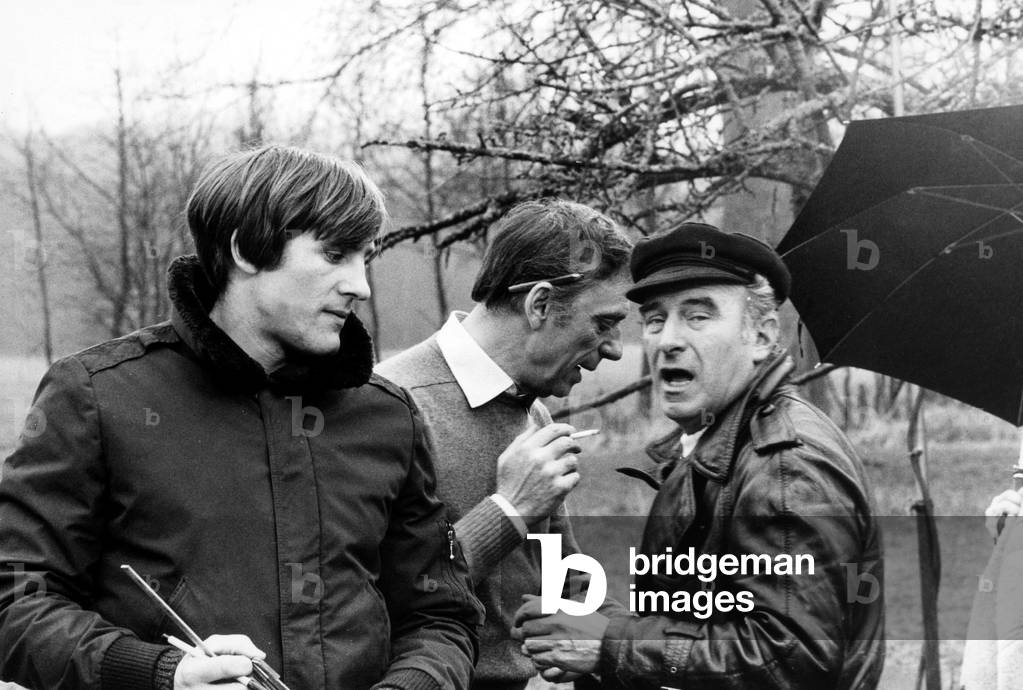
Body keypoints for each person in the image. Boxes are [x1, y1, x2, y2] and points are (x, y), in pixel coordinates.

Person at [0, 145, 482, 690]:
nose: (361, 285)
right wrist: (162, 674)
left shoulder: (387, 415)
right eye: (335, 255)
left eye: (365, 257)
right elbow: (17, 601)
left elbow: (441, 615)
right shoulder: (95, 395)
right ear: (245, 250)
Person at [515, 222, 885, 689]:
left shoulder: (786, 466)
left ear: (763, 336)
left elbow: (793, 657)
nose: (667, 340)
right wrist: (596, 622)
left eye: (697, 316)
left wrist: (609, 645)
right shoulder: (713, 444)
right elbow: (701, 620)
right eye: (654, 319)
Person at [376, 199, 632, 689]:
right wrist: (508, 511)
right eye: (603, 323)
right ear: (539, 304)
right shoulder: (386, 406)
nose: (616, 347)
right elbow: (370, 600)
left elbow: (563, 577)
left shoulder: (531, 411)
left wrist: (633, 646)